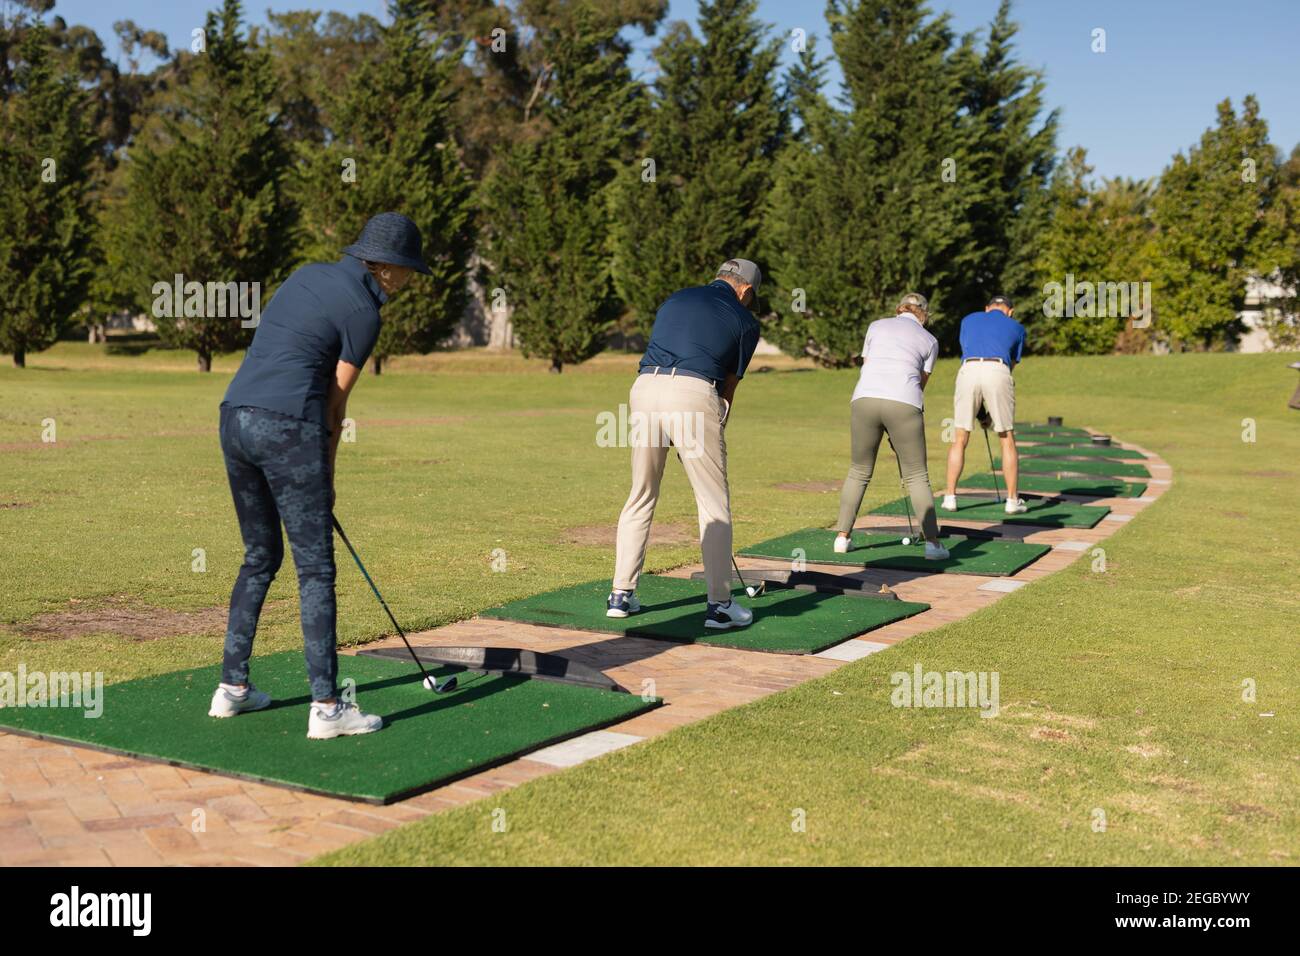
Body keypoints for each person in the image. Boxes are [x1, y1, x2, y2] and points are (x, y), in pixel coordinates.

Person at [209, 212, 429, 740]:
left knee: (259, 556)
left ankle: (232, 690)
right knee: (316, 570)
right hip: (289, 429)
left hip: (234, 417)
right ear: (386, 266)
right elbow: (335, 406)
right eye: (408, 270)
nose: (409, 280)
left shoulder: (305, 274)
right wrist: (324, 478)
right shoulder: (365, 312)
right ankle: (328, 709)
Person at [609, 259, 762, 629]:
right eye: (751, 297)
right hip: (694, 392)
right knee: (713, 502)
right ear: (745, 290)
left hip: (645, 388)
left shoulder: (675, 298)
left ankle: (620, 596)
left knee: (641, 492)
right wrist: (706, 427)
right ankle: (720, 606)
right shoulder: (745, 321)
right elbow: (728, 389)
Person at [833, 293, 950, 560]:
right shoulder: (930, 340)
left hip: (864, 399)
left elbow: (868, 365)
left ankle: (842, 537)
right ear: (924, 314)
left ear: (900, 309)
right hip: (904, 402)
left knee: (859, 470)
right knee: (917, 475)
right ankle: (932, 544)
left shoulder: (876, 326)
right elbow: (920, 382)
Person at [942, 295, 1028, 514]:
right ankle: (1011, 501)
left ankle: (950, 497)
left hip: (968, 369)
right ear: (1010, 311)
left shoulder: (968, 320)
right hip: (998, 368)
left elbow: (968, 350)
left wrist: (982, 412)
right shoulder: (1017, 327)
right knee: (1006, 436)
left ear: (987, 308)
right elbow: (1012, 365)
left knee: (960, 437)